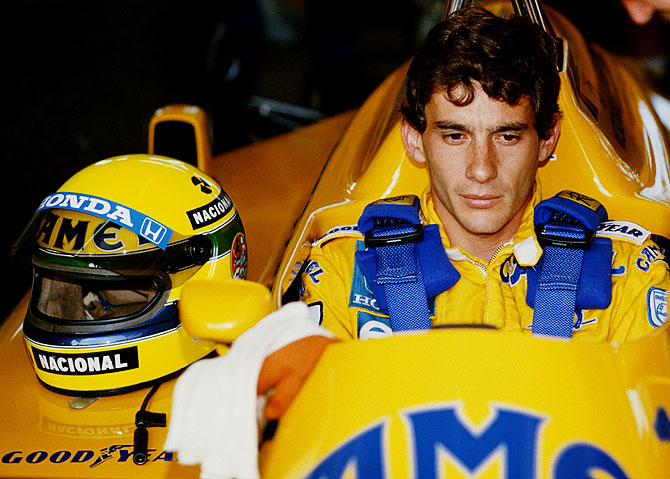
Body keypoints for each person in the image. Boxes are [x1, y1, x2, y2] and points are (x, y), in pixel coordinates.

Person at [298, 6, 670, 343]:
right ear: (414, 139)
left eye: (507, 136)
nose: (481, 169)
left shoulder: (628, 277)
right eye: (455, 135)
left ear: (547, 139)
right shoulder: (343, 271)